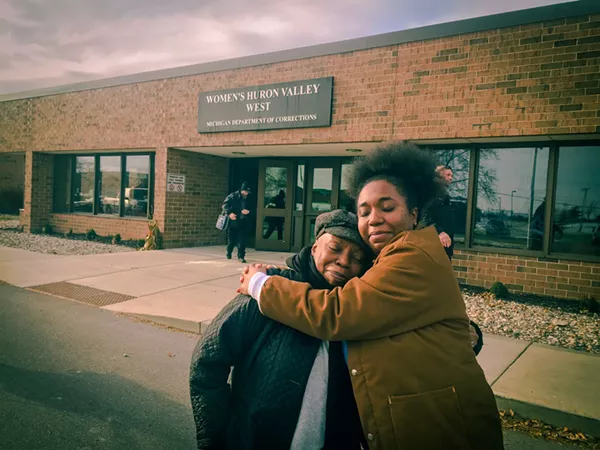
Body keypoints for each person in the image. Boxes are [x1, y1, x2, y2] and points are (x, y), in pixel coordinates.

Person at [240, 142, 504, 450]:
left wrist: (260, 283)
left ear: (414, 214)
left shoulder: (411, 255)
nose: (374, 218)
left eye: (387, 207)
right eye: (364, 211)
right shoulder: (386, 260)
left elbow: (335, 313)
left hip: (441, 430)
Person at [190, 210, 370, 450]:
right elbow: (207, 362)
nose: (344, 261)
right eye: (335, 248)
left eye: (356, 257)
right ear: (315, 247)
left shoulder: (358, 312)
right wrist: (214, 437)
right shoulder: (268, 291)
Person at [423, 165, 456, 260]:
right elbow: (425, 216)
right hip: (433, 249)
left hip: (445, 248)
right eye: (448, 175)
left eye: (452, 175)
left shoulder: (444, 196)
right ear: (439, 176)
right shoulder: (431, 194)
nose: (451, 178)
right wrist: (439, 231)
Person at [223, 182, 251, 263]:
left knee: (242, 240)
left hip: (244, 221)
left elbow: (253, 208)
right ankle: (229, 252)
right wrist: (229, 213)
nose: (247, 194)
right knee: (232, 239)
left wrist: (248, 212)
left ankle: (241, 256)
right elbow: (225, 205)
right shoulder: (233, 196)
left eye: (248, 192)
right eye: (245, 192)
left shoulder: (249, 198)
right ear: (242, 190)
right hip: (234, 221)